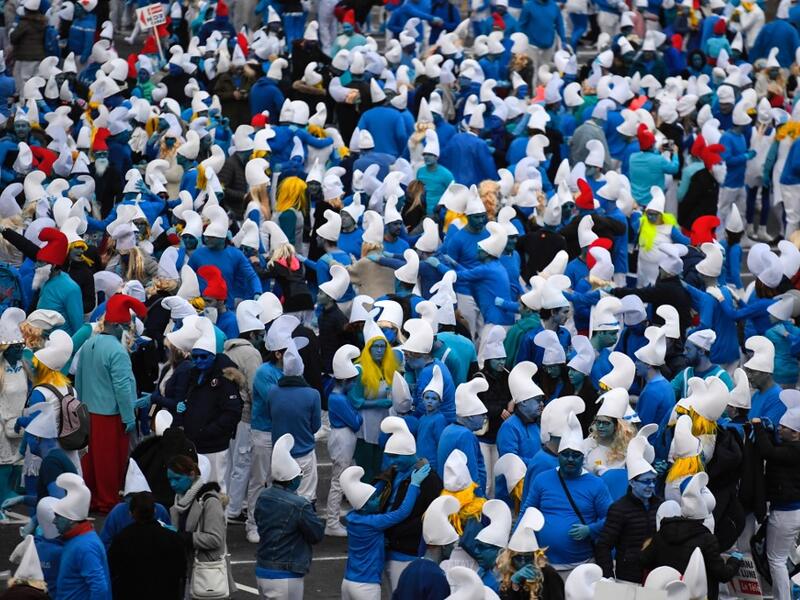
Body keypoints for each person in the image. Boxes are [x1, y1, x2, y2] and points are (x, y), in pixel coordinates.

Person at [519, 411, 612, 580]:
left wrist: (590, 529)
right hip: (543, 565)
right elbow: (526, 513)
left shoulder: (596, 484)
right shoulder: (542, 479)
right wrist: (517, 546)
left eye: (575, 455)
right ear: (558, 456)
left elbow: (611, 518)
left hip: (581, 566)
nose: (570, 459)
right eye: (565, 454)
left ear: (582, 458)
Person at [76, 294, 146, 513]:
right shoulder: (117, 351)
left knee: (90, 461)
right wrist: (129, 417)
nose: (128, 330)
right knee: (110, 461)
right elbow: (123, 388)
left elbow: (78, 378)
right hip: (110, 415)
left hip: (87, 411)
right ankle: (107, 501)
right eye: (126, 325)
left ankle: (92, 498)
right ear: (115, 325)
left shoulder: (89, 344)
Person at [340, 463, 432, 600]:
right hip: (366, 587)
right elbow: (402, 512)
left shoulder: (352, 517)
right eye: (373, 499)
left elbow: (362, 499)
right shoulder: (373, 522)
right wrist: (414, 484)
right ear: (364, 507)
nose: (378, 499)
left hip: (347, 582)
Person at [254, 434, 325, 599]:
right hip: (286, 574)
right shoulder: (300, 505)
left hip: (262, 568)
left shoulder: (263, 496)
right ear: (293, 480)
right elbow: (316, 535)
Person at [751, 391, 800, 600]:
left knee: (776, 560)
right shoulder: (792, 446)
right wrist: (770, 432)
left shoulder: (794, 451)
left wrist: (758, 428)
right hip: (793, 511)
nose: (779, 428)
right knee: (784, 556)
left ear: (796, 433)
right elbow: (776, 449)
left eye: (783, 428)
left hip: (786, 514)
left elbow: (769, 452)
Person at [167, 455, 235, 599]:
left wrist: (180, 536)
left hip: (207, 574)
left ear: (192, 474)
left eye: (177, 479)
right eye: (170, 479)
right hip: (188, 573)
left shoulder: (210, 501)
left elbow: (215, 539)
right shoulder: (178, 502)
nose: (172, 484)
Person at [595, 435, 661, 583]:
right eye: (646, 482)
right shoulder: (619, 509)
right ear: (632, 483)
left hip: (654, 574)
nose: (651, 486)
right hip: (628, 575)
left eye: (653, 481)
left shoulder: (659, 505)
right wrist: (608, 576)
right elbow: (604, 545)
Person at [107, 491, 187, 600]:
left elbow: (112, 569)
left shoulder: (122, 539)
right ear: (154, 511)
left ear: (131, 513)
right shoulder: (173, 538)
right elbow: (181, 570)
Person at [51, 473, 113, 599]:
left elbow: (100, 588)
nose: (54, 521)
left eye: (58, 516)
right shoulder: (79, 539)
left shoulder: (85, 546)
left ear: (71, 520)